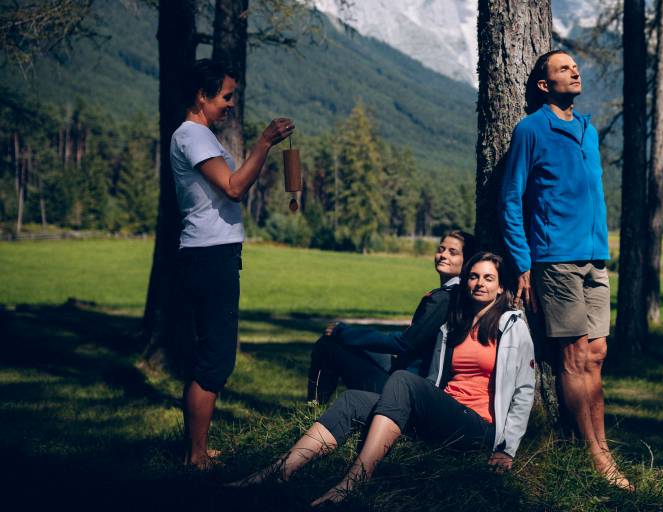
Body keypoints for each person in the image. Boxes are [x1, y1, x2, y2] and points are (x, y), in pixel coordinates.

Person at [233, 252, 535, 505]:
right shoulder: (454, 325)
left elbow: (524, 390)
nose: (479, 283)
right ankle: (282, 469)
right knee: (353, 399)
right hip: (443, 412)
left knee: (402, 381)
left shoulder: (512, 327)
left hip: (477, 427)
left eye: (487, 278)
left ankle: (354, 480)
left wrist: (506, 449)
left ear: (500, 288)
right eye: (474, 276)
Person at [499, 50, 631, 489]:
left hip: (596, 257)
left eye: (574, 66)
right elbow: (511, 198)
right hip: (555, 261)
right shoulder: (531, 129)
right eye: (562, 68)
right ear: (544, 85)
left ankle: (600, 446)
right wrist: (522, 263)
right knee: (574, 358)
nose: (574, 71)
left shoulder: (588, 131)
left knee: (597, 355)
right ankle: (597, 457)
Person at [172, 58, 294, 469]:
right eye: (225, 97)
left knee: (213, 354)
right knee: (216, 358)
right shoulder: (193, 136)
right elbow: (234, 187)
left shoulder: (200, 136)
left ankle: (199, 449)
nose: (230, 105)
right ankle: (195, 456)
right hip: (208, 256)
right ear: (202, 96)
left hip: (213, 253)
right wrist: (263, 143)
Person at [306, 229, 475, 402]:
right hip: (404, 372)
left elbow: (404, 344)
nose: (443, 255)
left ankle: (313, 409)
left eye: (452, 252)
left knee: (328, 345)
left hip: (406, 392)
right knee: (348, 344)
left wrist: (344, 331)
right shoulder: (453, 294)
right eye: (441, 249)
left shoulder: (445, 299)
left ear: (467, 261)